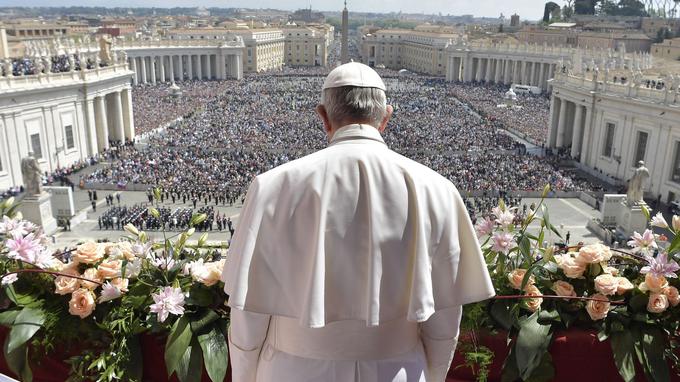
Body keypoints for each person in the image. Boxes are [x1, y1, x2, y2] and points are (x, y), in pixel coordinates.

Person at [222, 62, 495, 382]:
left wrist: (243, 376)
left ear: (323, 116)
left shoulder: (272, 186)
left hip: (292, 371)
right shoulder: (438, 189)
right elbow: (445, 323)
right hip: (398, 371)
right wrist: (431, 375)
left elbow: (248, 316)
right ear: (386, 118)